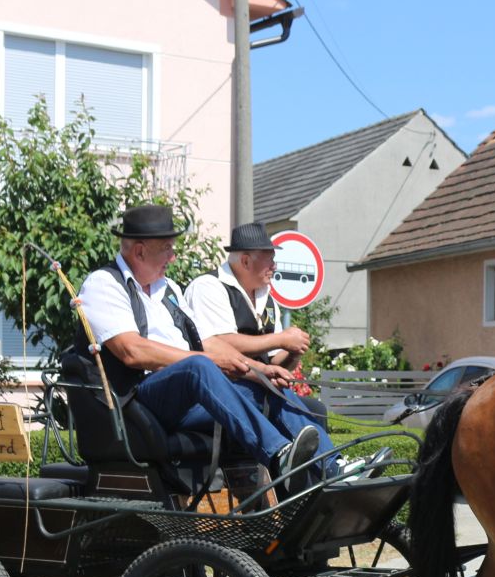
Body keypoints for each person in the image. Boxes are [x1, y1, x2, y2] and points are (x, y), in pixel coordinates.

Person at [76, 203, 333, 486]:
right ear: (139, 251)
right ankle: (278, 455)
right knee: (196, 365)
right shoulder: (104, 284)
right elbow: (132, 350)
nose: (173, 257)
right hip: (140, 400)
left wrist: (258, 369)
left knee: (266, 388)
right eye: (167, 249)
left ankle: (336, 471)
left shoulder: (169, 289)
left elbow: (206, 344)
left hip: (188, 391)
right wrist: (206, 361)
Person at [184, 222, 310, 369]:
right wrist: (281, 340)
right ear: (246, 261)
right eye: (270, 259)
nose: (274, 266)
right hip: (221, 387)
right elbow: (218, 342)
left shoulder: (267, 299)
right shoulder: (208, 287)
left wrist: (294, 351)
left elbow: (274, 360)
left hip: (257, 387)